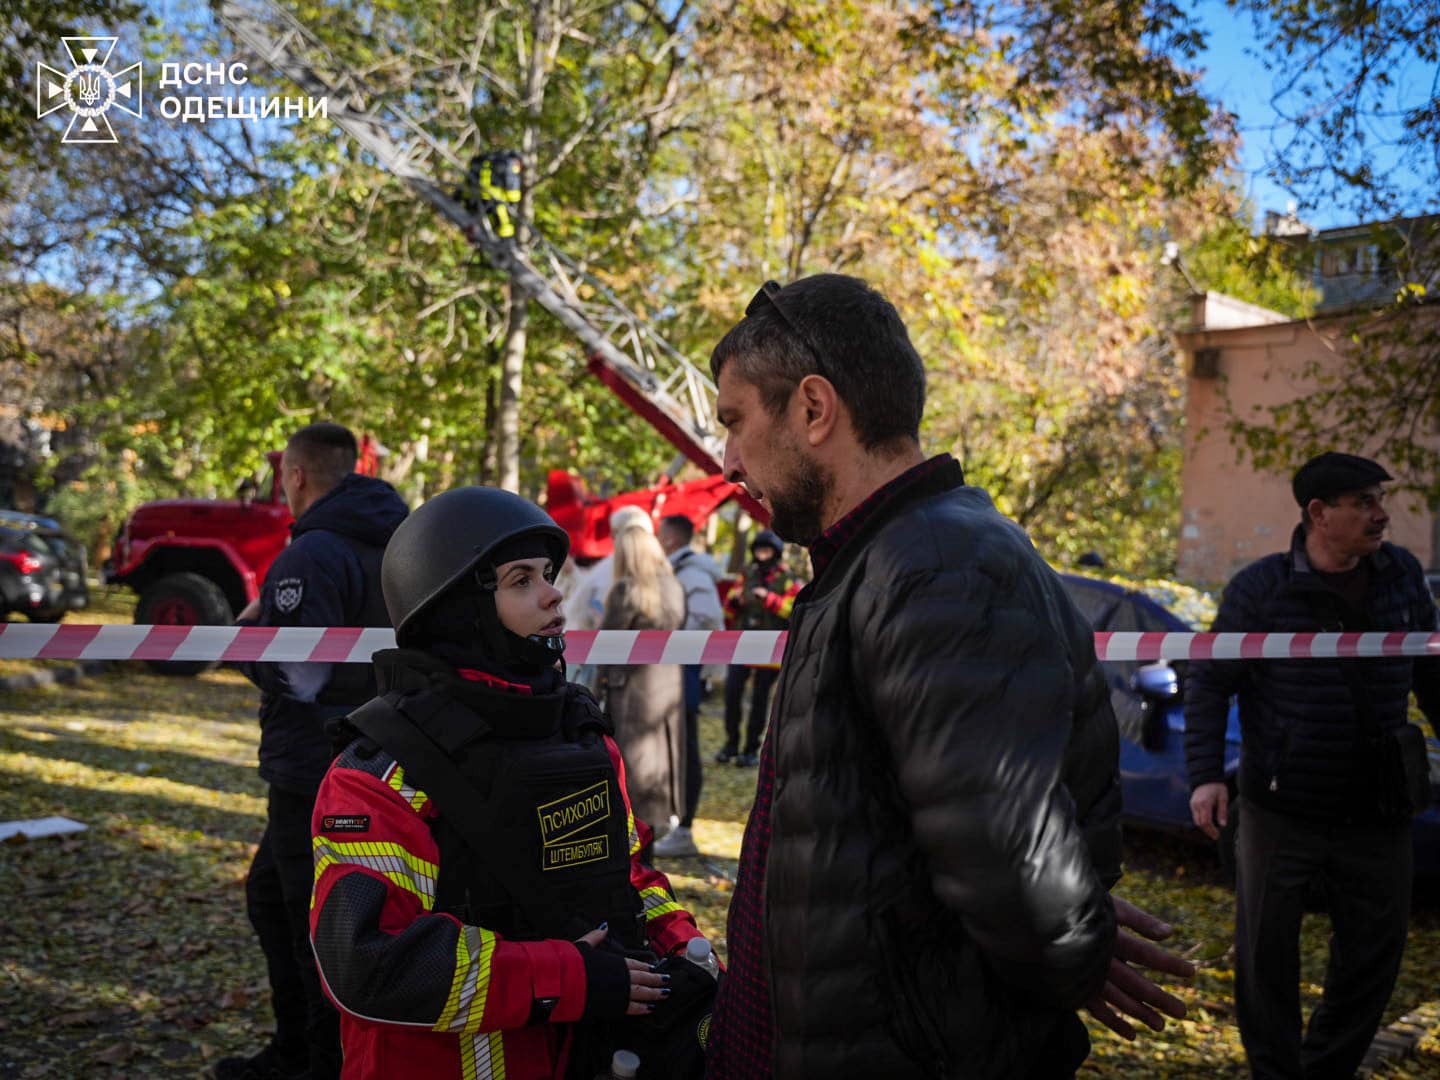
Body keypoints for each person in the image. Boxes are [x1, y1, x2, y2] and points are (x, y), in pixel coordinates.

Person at [704, 274, 1194, 1079]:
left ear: (815, 409)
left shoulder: (935, 564)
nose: (726, 460)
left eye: (735, 422)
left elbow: (1013, 863)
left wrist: (1072, 947)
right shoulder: (878, 561)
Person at [309, 486, 706, 1079]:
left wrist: (680, 945)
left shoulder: (581, 735)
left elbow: (626, 873)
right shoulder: (384, 772)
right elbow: (368, 962)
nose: (554, 595)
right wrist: (567, 977)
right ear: (455, 609)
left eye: (547, 574)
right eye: (522, 581)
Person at [1186, 451, 1440, 1080]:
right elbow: (1210, 683)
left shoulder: (1403, 576)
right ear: (1319, 514)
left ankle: (1324, 1071)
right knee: (1265, 957)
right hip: (1281, 808)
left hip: (1379, 806)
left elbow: (1432, 672)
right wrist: (1206, 776)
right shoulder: (1260, 590)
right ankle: (1276, 1072)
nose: (1382, 514)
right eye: (1365, 502)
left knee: (1373, 959)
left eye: (1380, 500)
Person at [222, 422, 409, 1080]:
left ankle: (317, 1064)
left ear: (295, 475)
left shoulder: (314, 552)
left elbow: (300, 674)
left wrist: (246, 641)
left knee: (312, 931)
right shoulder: (400, 542)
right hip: (378, 757)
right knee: (276, 901)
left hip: (313, 769)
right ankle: (296, 1051)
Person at [601, 525, 688, 847]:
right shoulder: (674, 586)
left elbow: (605, 644)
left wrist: (596, 689)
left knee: (634, 765)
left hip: (632, 688)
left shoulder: (626, 590)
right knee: (663, 758)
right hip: (667, 683)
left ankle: (634, 838)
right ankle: (655, 829)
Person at [653, 514, 726, 858]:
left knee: (685, 747)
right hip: (673, 671)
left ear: (670, 538)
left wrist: (671, 643)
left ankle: (684, 829)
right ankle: (674, 822)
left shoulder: (691, 573)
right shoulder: (678, 569)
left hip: (682, 671)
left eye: (661, 532)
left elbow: (705, 617)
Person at [715, 529, 800, 768]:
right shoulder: (746, 575)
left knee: (760, 701)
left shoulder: (787, 579)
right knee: (732, 694)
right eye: (759, 550)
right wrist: (736, 601)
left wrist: (769, 599)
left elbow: (793, 610)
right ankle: (730, 744)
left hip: (769, 649)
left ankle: (751, 749)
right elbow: (728, 610)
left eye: (767, 550)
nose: (762, 555)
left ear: (775, 553)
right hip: (740, 645)